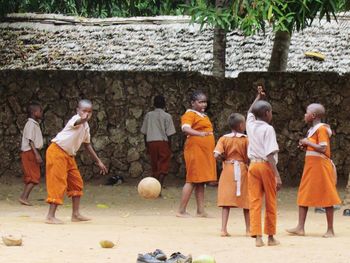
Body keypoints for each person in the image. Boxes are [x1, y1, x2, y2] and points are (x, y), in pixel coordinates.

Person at [45, 99, 108, 224]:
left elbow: (87, 145)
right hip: (57, 151)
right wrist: (83, 118)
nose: (87, 114)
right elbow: (79, 121)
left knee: (76, 182)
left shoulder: (86, 127)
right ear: (78, 111)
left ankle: (76, 214)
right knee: (58, 183)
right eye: (84, 111)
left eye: (89, 112)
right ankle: (50, 216)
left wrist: (98, 161)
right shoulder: (75, 120)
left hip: (69, 156)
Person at [287, 103, 341, 237]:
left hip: (321, 166)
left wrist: (307, 143)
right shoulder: (311, 131)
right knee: (304, 192)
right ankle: (300, 227)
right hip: (311, 166)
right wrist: (306, 146)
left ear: (313, 115)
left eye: (306, 112)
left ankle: (330, 230)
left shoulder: (321, 129)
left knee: (327, 194)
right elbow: (314, 147)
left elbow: (322, 148)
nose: (304, 115)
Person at [246, 86, 282, 247]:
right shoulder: (268, 129)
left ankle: (257, 237)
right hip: (266, 166)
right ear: (267, 113)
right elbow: (269, 154)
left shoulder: (250, 125)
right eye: (271, 112)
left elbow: (250, 112)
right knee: (271, 201)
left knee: (254, 201)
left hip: (252, 166)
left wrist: (257, 97)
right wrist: (277, 175)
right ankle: (271, 237)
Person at [176, 90, 217, 218]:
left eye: (205, 102)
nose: (203, 104)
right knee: (192, 180)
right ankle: (181, 211)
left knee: (200, 181)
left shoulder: (203, 115)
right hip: (195, 151)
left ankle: (200, 211)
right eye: (200, 102)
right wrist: (199, 134)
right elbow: (185, 128)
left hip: (204, 152)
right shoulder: (190, 114)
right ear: (193, 103)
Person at [214, 113, 250, 237]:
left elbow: (216, 155)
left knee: (226, 199)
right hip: (242, 169)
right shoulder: (245, 139)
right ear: (241, 125)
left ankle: (223, 229)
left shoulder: (223, 138)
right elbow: (250, 155)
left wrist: (224, 158)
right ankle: (248, 229)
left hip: (228, 169)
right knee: (246, 199)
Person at [141, 95, 176, 187]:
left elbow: (144, 132)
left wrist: (146, 145)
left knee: (154, 164)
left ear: (154, 104)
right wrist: (169, 146)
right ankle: (159, 185)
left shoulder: (149, 115)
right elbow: (170, 134)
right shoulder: (167, 116)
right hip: (163, 142)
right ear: (165, 104)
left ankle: (154, 185)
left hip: (151, 142)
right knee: (164, 165)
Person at [19, 101, 44, 206]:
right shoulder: (30, 124)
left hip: (31, 151)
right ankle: (24, 197)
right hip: (30, 152)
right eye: (40, 111)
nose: (42, 113)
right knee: (34, 177)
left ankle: (24, 197)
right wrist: (37, 154)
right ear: (34, 112)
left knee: (32, 176)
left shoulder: (34, 124)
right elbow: (30, 140)